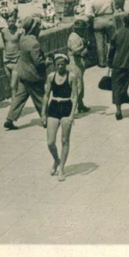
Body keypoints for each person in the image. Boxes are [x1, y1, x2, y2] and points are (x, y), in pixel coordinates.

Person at [42, 53, 81, 181]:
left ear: (66, 65)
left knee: (65, 140)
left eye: (62, 65)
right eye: (57, 65)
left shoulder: (72, 77)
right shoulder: (51, 77)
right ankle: (57, 160)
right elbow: (46, 95)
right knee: (50, 142)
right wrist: (43, 113)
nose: (60, 67)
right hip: (53, 107)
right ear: (54, 65)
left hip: (66, 106)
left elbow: (75, 96)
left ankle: (62, 168)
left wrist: (71, 115)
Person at [4, 17, 46, 130]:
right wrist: (48, 62)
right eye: (38, 26)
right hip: (33, 76)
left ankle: (10, 119)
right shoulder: (34, 43)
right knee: (40, 98)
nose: (39, 28)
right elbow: (38, 62)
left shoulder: (22, 39)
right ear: (34, 28)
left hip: (23, 73)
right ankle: (45, 119)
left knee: (19, 97)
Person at [107, 13, 129, 120]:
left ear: (124, 22)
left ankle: (118, 110)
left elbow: (111, 50)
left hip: (117, 64)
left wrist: (109, 63)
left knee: (116, 87)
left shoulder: (117, 33)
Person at [87, 0, 115, 67]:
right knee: (112, 41)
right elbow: (113, 8)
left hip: (98, 20)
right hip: (109, 18)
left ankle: (102, 62)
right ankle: (112, 60)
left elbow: (88, 14)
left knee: (100, 43)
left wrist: (94, 18)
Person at [66, 18, 90, 113]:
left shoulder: (75, 35)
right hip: (75, 64)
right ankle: (72, 108)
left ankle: (80, 105)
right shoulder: (74, 37)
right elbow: (75, 50)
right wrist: (84, 45)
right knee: (77, 86)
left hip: (78, 64)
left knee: (79, 85)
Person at [0, 12, 22, 110]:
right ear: (6, 22)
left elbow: (22, 45)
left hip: (16, 59)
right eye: (9, 21)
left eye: (13, 21)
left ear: (16, 21)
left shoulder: (20, 32)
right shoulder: (3, 31)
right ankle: (16, 102)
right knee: (11, 85)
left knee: (13, 85)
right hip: (7, 60)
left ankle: (14, 107)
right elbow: (4, 45)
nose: (11, 23)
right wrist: (4, 58)